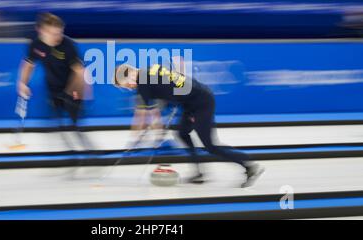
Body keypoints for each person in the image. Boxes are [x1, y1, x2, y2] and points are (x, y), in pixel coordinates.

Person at [113, 62, 264, 187]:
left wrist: (142, 138)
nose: (128, 87)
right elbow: (168, 90)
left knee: (211, 146)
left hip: (201, 102)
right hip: (192, 101)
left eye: (125, 84)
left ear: (131, 74)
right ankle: (199, 173)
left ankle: (249, 166)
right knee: (182, 133)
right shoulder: (149, 71)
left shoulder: (143, 81)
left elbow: (145, 115)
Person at [17, 12, 92, 150]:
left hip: (72, 89)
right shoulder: (36, 44)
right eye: (53, 34)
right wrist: (22, 83)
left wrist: (82, 92)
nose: (58, 37)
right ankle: (67, 151)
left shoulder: (68, 45)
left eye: (60, 33)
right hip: (53, 89)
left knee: (76, 124)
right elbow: (28, 64)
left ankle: (88, 150)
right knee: (55, 121)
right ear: (41, 31)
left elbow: (80, 72)